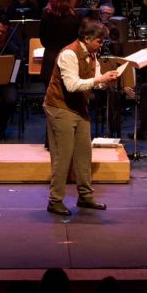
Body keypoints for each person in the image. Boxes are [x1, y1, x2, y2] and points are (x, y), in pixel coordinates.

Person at [44, 19, 119, 216]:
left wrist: (107, 81)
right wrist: (99, 79)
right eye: (99, 41)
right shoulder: (69, 54)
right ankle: (55, 200)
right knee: (63, 156)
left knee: (84, 154)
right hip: (59, 107)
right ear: (87, 38)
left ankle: (85, 196)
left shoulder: (92, 54)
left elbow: (95, 82)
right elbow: (72, 85)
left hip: (79, 107)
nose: (101, 45)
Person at [40, 0, 82, 85]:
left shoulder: (46, 14)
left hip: (50, 62)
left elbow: (43, 40)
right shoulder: (76, 17)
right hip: (70, 64)